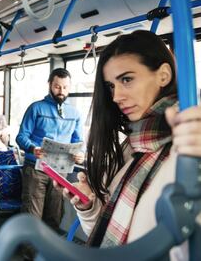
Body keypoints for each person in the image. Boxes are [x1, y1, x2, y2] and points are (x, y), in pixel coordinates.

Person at [57, 30, 201, 260]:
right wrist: (88, 207)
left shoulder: (188, 146)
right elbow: (105, 236)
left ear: (163, 75)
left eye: (127, 79)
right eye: (111, 86)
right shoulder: (129, 147)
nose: (116, 97)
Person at [16, 68, 85, 233]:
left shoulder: (74, 113)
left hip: (60, 171)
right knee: (32, 216)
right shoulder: (36, 108)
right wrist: (33, 148)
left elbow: (78, 141)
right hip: (36, 169)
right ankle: (29, 256)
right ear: (49, 85)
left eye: (65, 87)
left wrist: (81, 154)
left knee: (54, 216)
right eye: (57, 86)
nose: (61, 91)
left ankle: (46, 255)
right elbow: (21, 136)